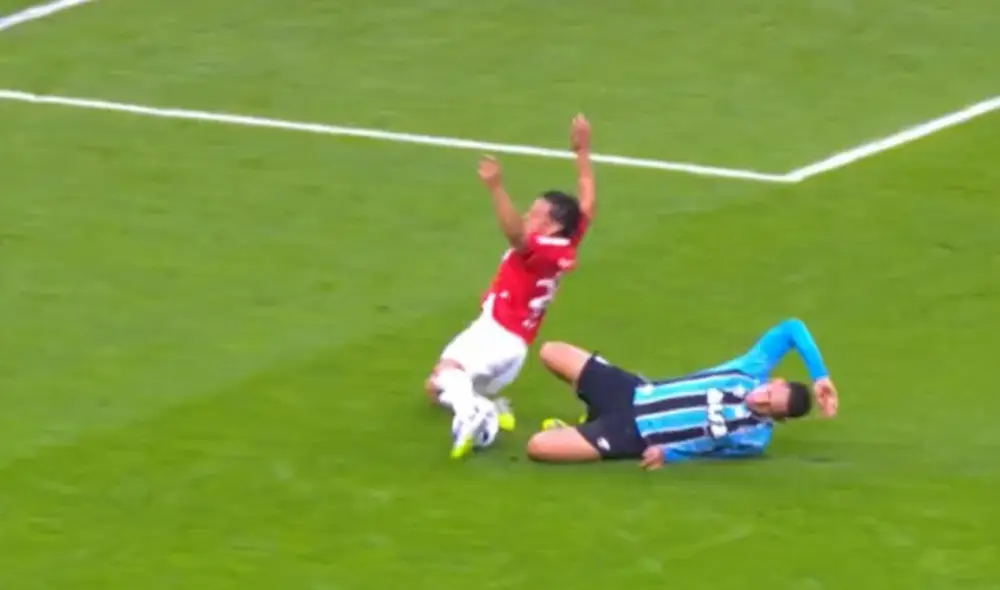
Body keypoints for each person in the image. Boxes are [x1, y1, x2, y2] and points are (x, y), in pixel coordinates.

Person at [426, 115, 596, 459]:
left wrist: (495, 187)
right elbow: (587, 200)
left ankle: (478, 415)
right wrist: (581, 151)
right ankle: (491, 405)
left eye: (534, 214)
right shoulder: (569, 239)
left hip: (497, 335)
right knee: (435, 389)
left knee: (447, 373)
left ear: (552, 226)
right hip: (512, 344)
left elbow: (514, 234)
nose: (527, 217)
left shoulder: (541, 248)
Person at [525, 318, 839, 469]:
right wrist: (820, 375)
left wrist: (668, 454)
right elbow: (792, 329)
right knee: (550, 352)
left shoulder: (753, 439)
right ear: (775, 380)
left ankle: (586, 428)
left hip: (630, 435)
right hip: (633, 392)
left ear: (777, 418)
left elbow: (709, 451)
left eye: (770, 406)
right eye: (769, 391)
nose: (761, 399)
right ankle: (590, 416)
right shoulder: (749, 369)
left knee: (538, 447)